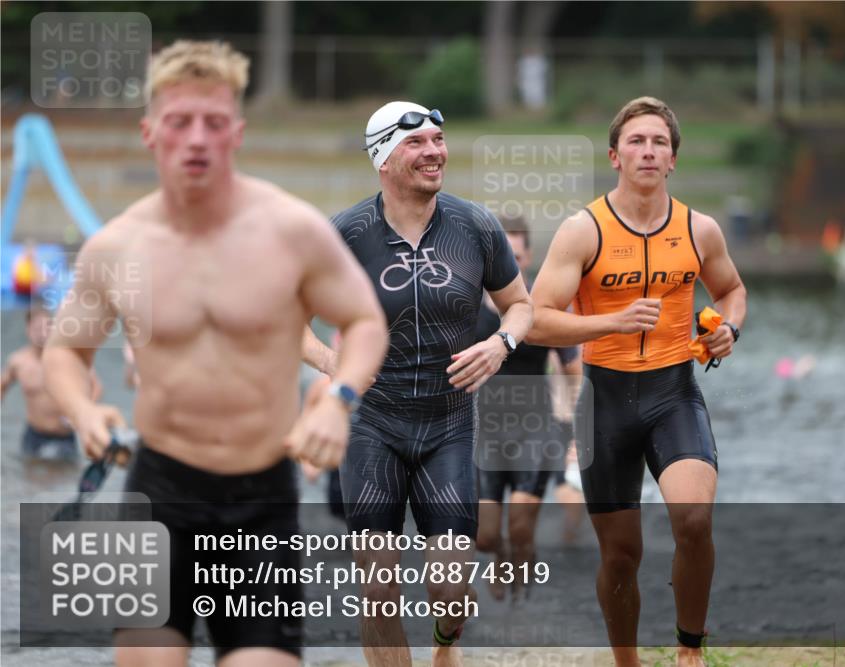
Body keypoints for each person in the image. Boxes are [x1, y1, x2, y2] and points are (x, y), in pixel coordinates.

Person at [42, 40, 388, 667]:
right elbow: (67, 352)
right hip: (160, 491)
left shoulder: (292, 231)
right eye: (179, 122)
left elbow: (364, 321)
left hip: (263, 497)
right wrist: (84, 414)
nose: (196, 138)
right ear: (150, 133)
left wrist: (338, 401)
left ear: (238, 133)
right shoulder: (117, 248)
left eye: (214, 122)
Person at [302, 100, 532, 667]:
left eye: (438, 140)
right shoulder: (346, 234)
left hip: (448, 426)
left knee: (450, 590)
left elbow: (521, 307)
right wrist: (335, 365)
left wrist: (500, 345)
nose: (434, 152)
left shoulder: (475, 225)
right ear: (383, 158)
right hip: (372, 425)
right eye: (416, 143)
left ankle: (446, 644)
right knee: (378, 591)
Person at [527, 96, 747, 667]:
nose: (648, 151)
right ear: (614, 157)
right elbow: (536, 319)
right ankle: (626, 660)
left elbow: (731, 291)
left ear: (673, 159)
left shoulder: (700, 229)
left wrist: (728, 329)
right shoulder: (583, 230)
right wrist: (610, 321)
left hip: (673, 395)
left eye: (659, 143)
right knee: (622, 555)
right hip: (605, 400)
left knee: (694, 519)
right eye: (636, 142)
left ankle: (688, 650)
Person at [472, 215, 581, 601]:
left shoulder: (541, 309)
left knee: (520, 526)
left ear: (528, 258)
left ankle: (522, 600)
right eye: (503, 256)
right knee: (484, 535)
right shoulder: (468, 308)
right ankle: (500, 555)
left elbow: (572, 369)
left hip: (535, 431)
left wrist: (570, 427)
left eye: (516, 257)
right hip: (483, 434)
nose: (510, 264)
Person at [1, 306, 100, 461]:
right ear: (28, 329)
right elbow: (2, 384)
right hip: (34, 434)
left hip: (64, 435)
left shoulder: (69, 357)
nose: (42, 333)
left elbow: (95, 386)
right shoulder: (18, 361)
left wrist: (83, 414)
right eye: (37, 328)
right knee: (30, 478)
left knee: (64, 481)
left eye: (47, 327)